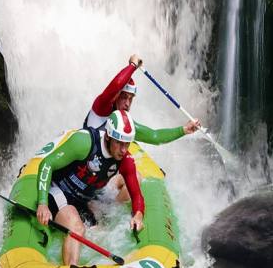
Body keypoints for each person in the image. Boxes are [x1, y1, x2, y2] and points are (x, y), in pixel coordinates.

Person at [84, 54, 201, 201]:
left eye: (130, 99)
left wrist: (184, 130)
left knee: (136, 178)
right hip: (83, 176)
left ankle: (109, 215)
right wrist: (132, 66)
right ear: (115, 96)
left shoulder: (125, 124)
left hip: (102, 182)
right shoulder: (101, 108)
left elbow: (154, 136)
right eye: (124, 97)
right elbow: (114, 87)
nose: (127, 103)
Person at [36, 110, 142, 266]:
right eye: (119, 142)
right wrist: (43, 203)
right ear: (108, 136)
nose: (124, 149)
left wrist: (138, 214)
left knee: (100, 234)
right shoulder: (84, 142)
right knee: (77, 228)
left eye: (127, 143)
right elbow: (47, 164)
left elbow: (136, 194)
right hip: (58, 189)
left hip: (82, 200)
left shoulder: (125, 159)